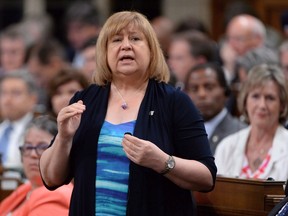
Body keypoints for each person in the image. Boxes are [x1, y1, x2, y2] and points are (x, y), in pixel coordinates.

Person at [39, 11, 217, 216]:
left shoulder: (175, 102)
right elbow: (51, 179)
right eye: (116, 40)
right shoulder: (85, 100)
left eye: (135, 38)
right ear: (104, 52)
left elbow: (206, 177)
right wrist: (64, 137)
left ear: (151, 50)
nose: (126, 45)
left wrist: (162, 161)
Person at [215, 64, 288, 181]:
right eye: (255, 96)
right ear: (245, 101)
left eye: (270, 98)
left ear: (282, 105)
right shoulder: (227, 146)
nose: (262, 105)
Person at [0, 115, 73, 215]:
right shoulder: (24, 190)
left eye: (42, 147)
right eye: (28, 147)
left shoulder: (56, 195)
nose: (33, 154)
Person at [184, 63, 247, 154]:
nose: (202, 94)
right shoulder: (178, 132)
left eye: (209, 87)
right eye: (194, 89)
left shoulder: (240, 133)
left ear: (226, 92)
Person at [0, 71, 38, 171]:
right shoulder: (1, 129)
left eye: (16, 93)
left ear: (32, 99)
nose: (7, 100)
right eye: (3, 93)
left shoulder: (41, 131)